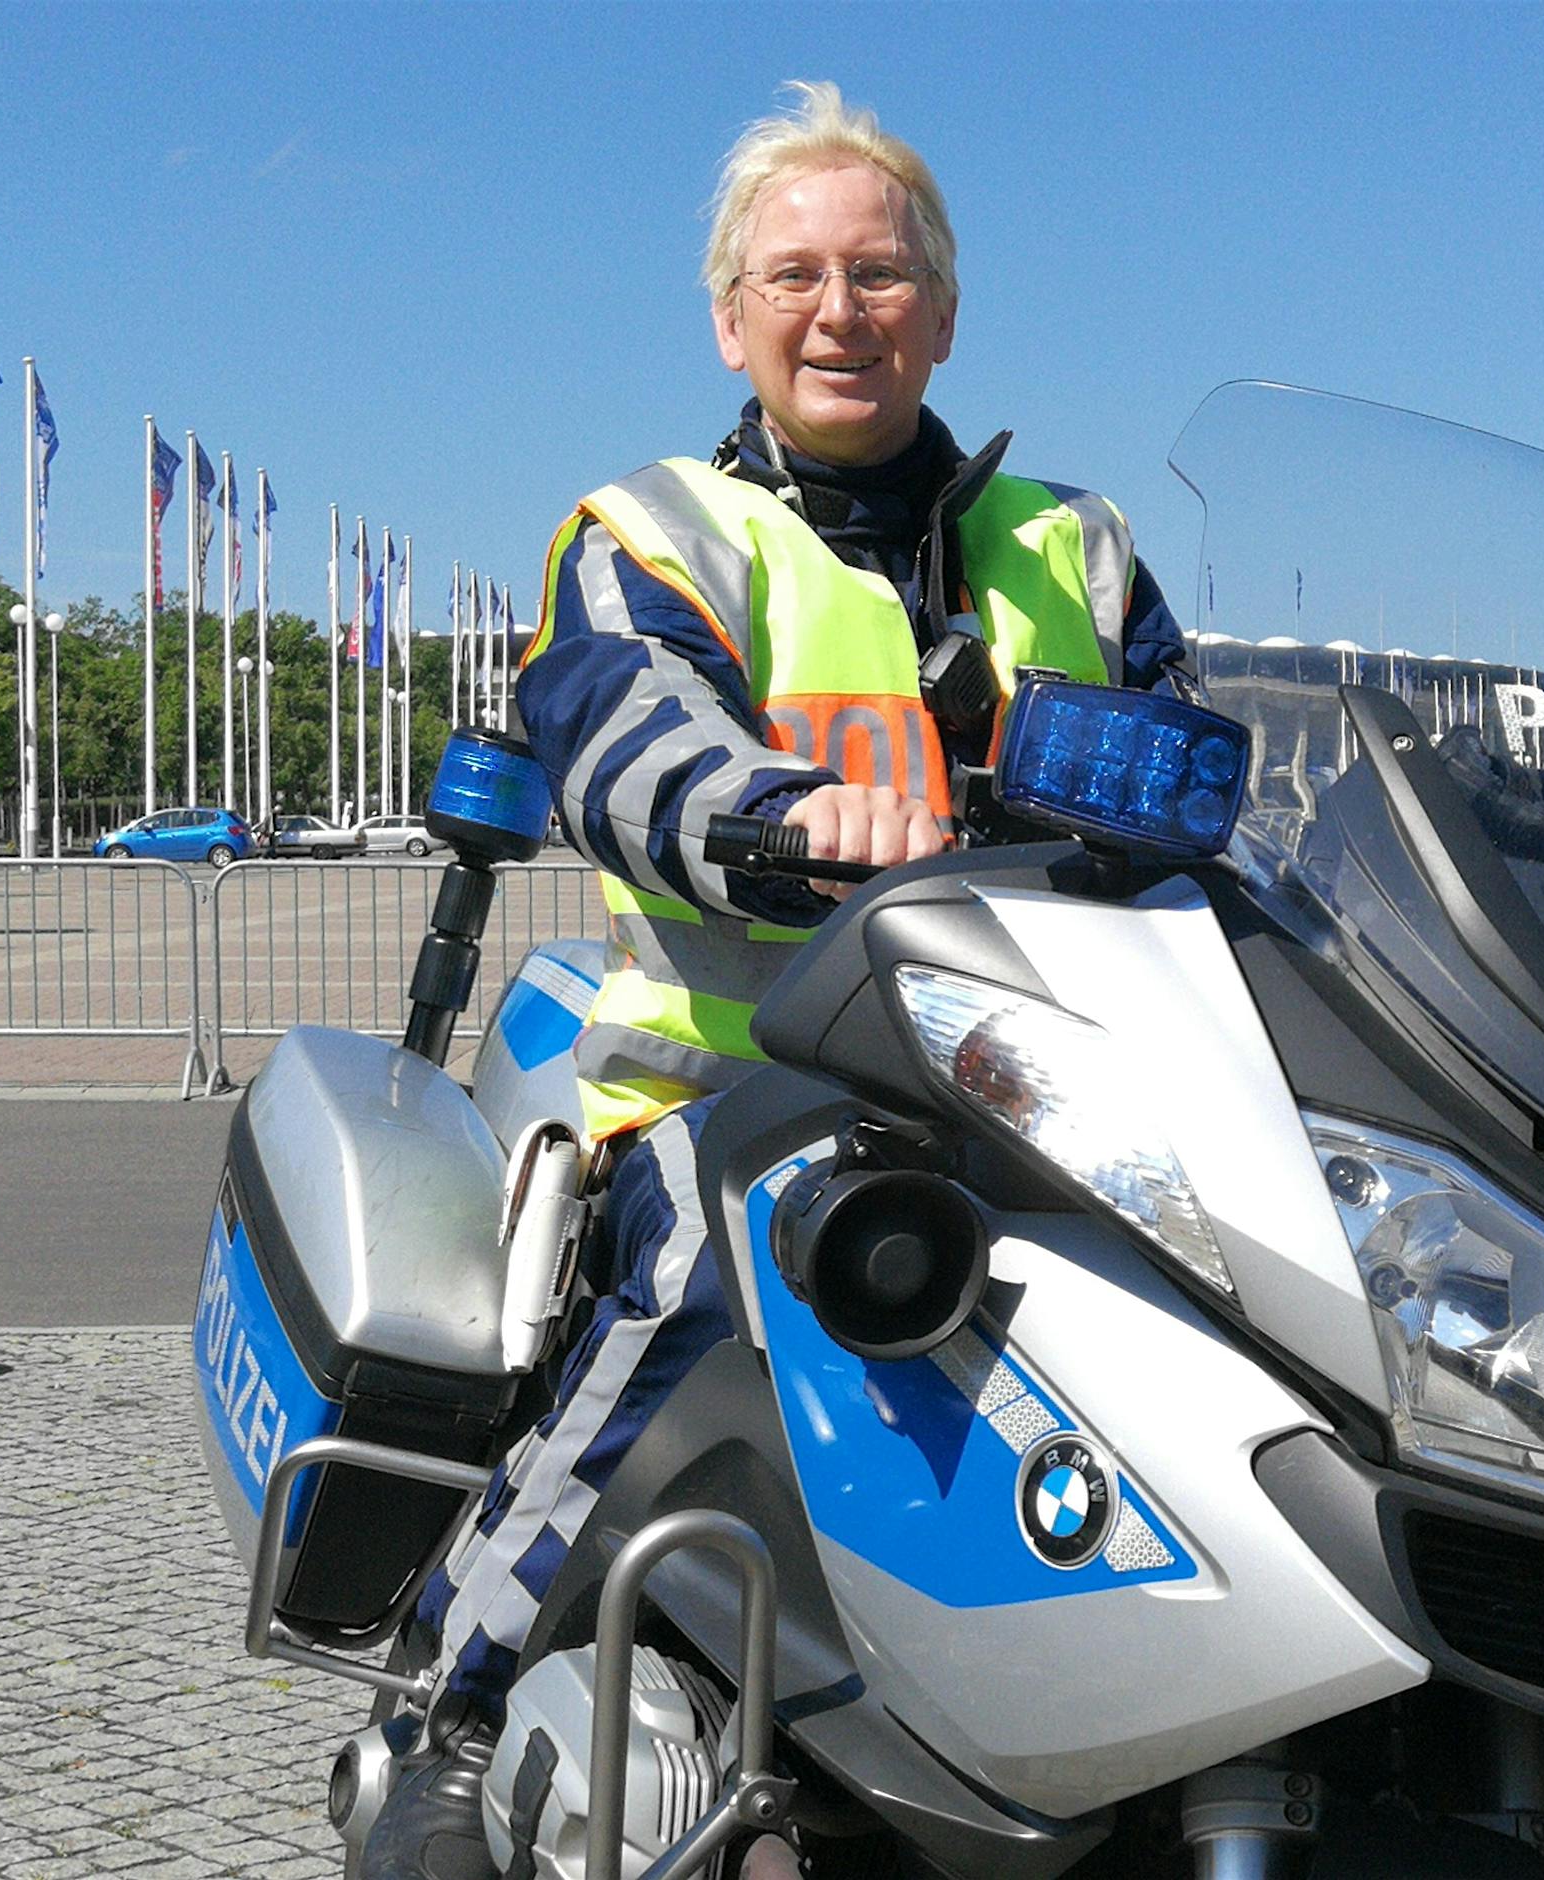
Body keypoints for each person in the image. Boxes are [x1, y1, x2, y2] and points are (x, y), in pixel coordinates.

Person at [363, 80, 1182, 1879]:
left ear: (943, 313)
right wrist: (789, 813)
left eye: (882, 275)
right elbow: (622, 741)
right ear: (731, 316)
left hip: (1068, 1097)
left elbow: (1202, 761)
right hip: (750, 1078)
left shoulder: (1077, 546)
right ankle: (447, 1702)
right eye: (795, 275)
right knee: (699, 1249)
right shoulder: (656, 535)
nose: (840, 311)